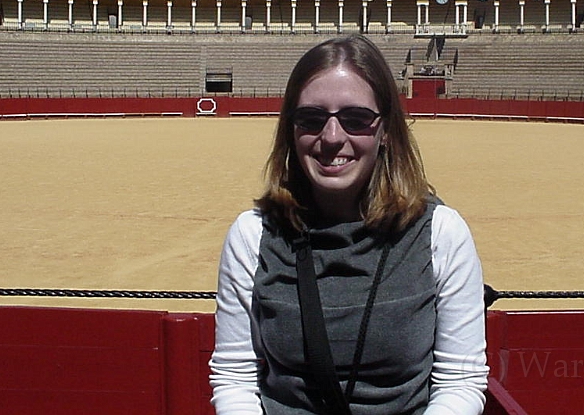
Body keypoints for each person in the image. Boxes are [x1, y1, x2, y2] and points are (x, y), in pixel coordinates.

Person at [209, 35, 488, 415]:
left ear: (386, 130)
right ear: (291, 130)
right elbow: (235, 376)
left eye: (356, 119)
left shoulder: (442, 233)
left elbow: (460, 380)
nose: (332, 137)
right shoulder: (252, 234)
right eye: (311, 119)